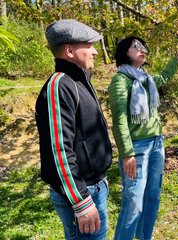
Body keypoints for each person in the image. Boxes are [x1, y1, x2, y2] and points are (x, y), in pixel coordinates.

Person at [35, 19, 112, 239]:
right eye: (89, 45)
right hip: (81, 195)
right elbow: (59, 150)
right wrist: (81, 200)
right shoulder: (59, 84)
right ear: (69, 50)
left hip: (94, 188)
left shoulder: (78, 81)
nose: (95, 51)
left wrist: (100, 177)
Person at [108, 36, 178, 240]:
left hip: (156, 144)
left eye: (144, 46)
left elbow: (164, 77)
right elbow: (119, 120)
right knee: (133, 200)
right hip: (136, 148)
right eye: (137, 47)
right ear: (125, 52)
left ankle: (145, 236)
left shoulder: (145, 78)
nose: (143, 50)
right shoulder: (121, 80)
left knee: (152, 196)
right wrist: (127, 154)